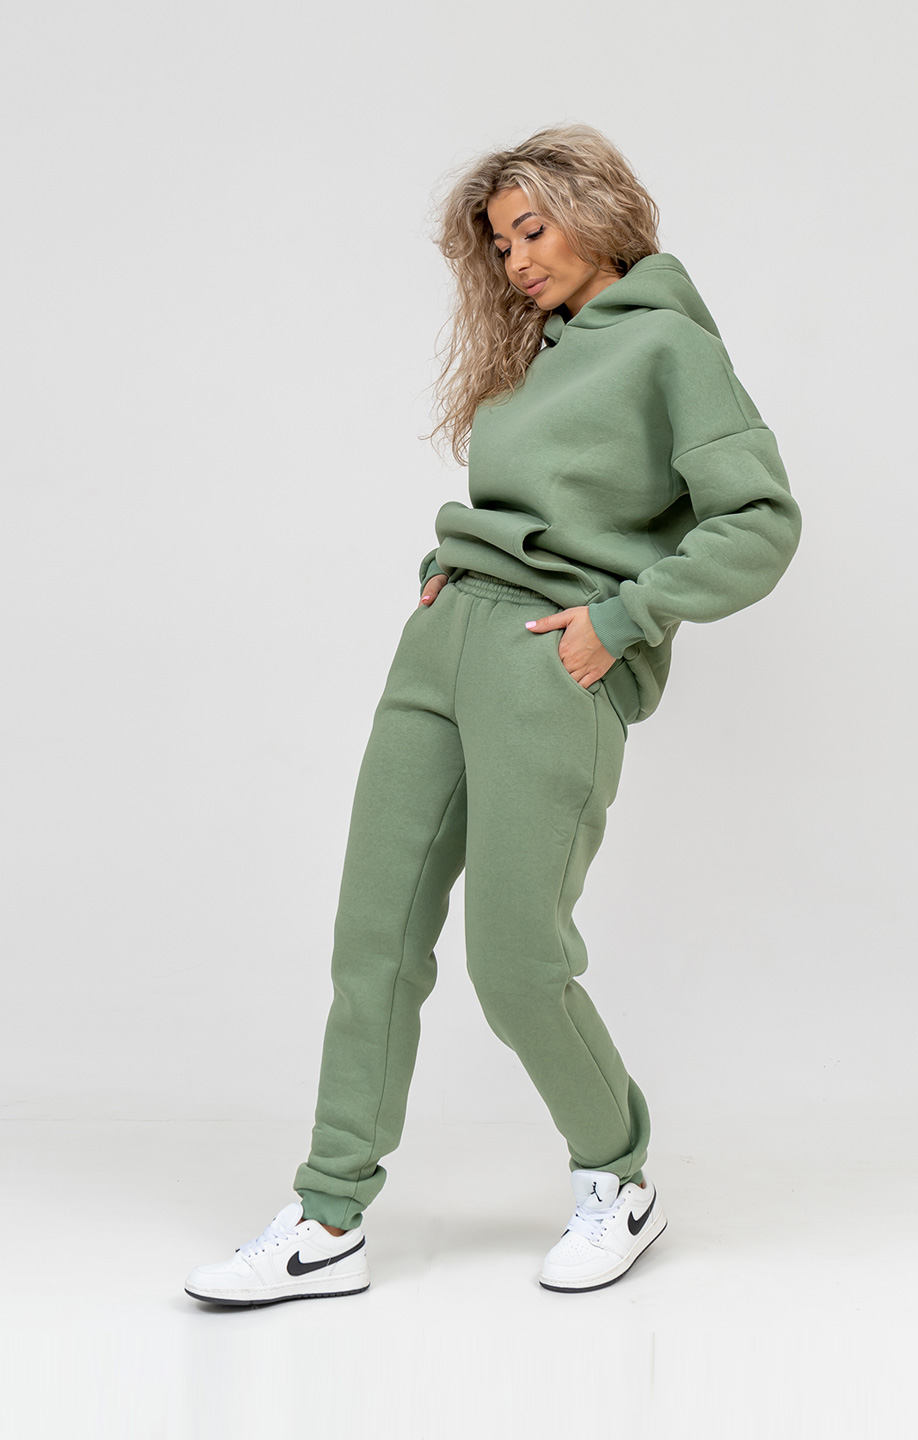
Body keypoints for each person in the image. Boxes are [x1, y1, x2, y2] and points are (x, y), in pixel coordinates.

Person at [184, 122, 801, 1307]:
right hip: (443, 640)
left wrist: (621, 619)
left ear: (598, 215)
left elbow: (760, 521)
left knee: (515, 958)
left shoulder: (669, 346)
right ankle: (328, 1216)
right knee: (373, 938)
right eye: (500, 243)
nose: (516, 260)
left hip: (545, 661)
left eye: (533, 230)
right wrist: (445, 572)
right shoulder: (538, 352)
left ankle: (617, 1177)